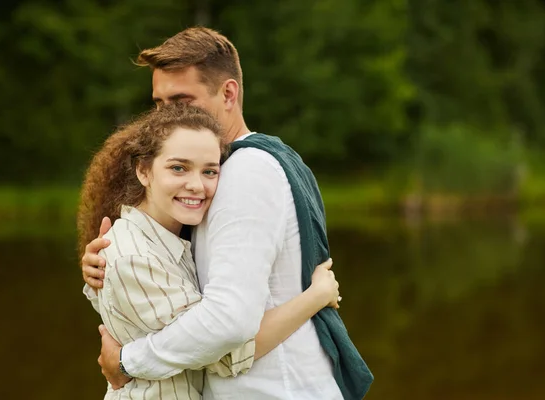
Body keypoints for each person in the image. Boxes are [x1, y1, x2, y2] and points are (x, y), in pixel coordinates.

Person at [81, 27, 373, 399]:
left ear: (229, 93)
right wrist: (107, 268)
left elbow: (228, 321)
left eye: (182, 101)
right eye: (159, 103)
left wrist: (127, 362)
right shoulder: (232, 167)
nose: (166, 116)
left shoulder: (243, 172)